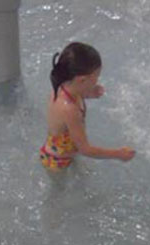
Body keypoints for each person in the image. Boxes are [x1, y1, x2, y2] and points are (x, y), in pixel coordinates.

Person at [39, 42, 135, 172]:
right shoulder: (69, 110)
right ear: (82, 80)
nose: (97, 80)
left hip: (65, 150)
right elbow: (85, 149)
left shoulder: (65, 86)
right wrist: (118, 154)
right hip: (56, 161)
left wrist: (89, 93)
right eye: (96, 77)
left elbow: (75, 95)